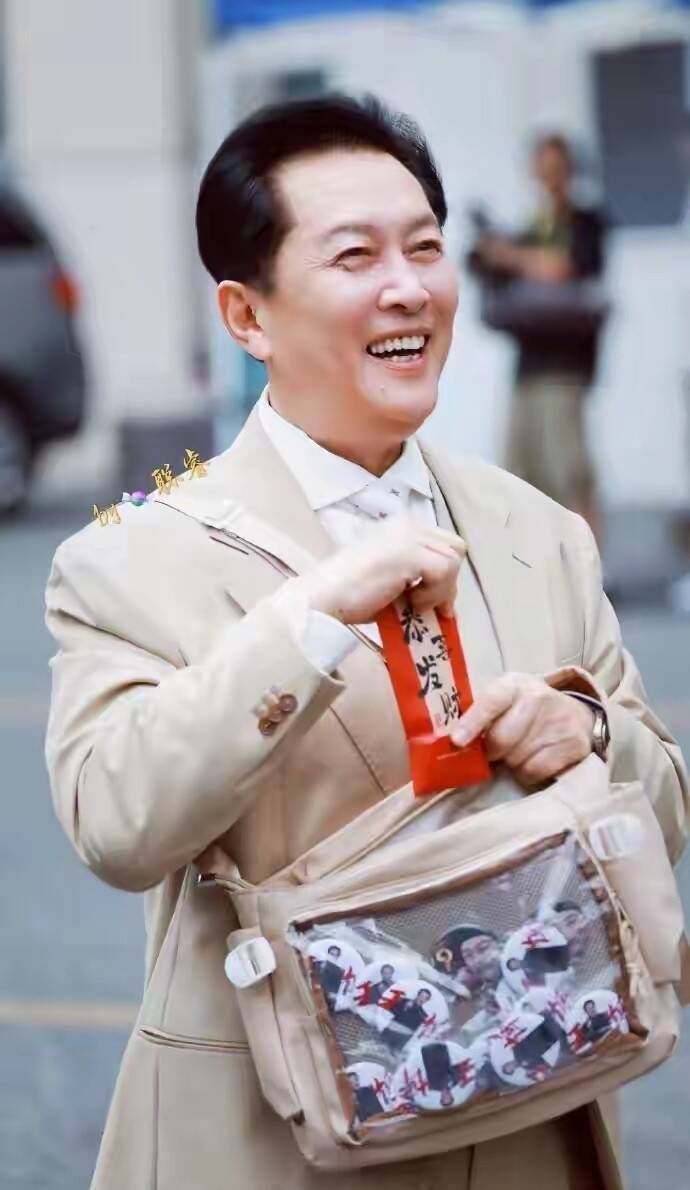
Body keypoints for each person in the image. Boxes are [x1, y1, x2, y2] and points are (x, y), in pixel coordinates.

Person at [43, 94, 687, 1190]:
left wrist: (582, 729)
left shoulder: (539, 531)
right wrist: (308, 620)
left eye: (425, 248)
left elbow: (662, 804)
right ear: (247, 317)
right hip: (277, 1139)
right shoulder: (132, 555)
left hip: (536, 1123)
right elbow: (117, 821)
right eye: (355, 256)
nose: (408, 287)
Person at [471, 134, 607, 541]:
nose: (547, 175)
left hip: (566, 367)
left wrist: (508, 255)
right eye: (541, 166)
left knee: (569, 470)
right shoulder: (532, 227)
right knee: (522, 471)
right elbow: (495, 269)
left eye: (554, 166)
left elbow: (563, 268)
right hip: (528, 366)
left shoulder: (585, 222)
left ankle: (593, 564)